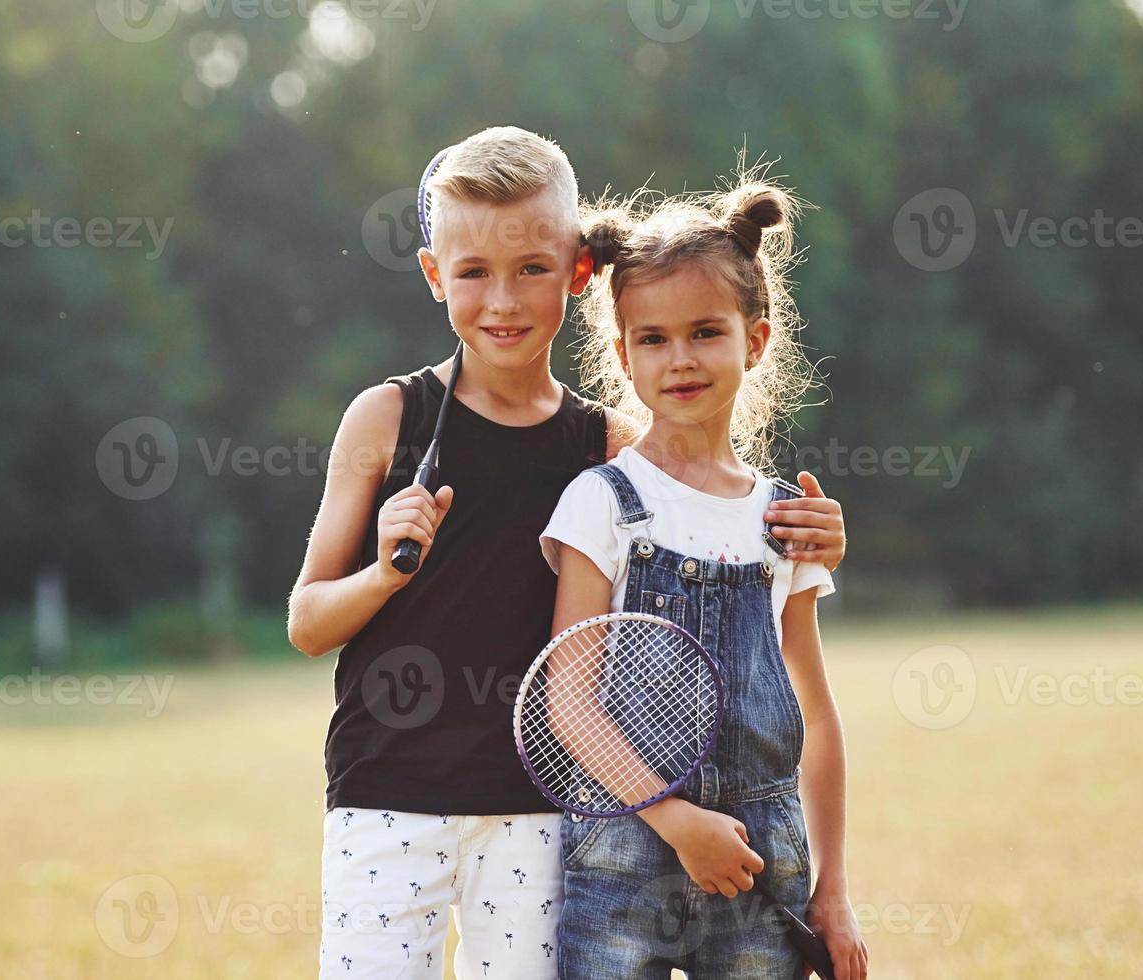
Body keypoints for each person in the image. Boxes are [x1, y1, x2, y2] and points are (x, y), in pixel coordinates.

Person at [287, 128, 849, 979]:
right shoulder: (386, 420)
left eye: (532, 271)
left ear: (579, 272)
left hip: (545, 817)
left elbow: (710, 512)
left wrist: (817, 533)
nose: (502, 301)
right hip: (385, 798)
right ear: (436, 275)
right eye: (472, 273)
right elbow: (305, 623)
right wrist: (383, 570)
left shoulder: (610, 448)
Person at [540, 176, 868, 979]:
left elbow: (815, 720)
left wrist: (833, 889)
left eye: (704, 332)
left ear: (754, 342)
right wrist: (674, 819)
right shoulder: (604, 502)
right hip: (624, 848)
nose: (679, 358)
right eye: (652, 339)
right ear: (623, 355)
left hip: (764, 862)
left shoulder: (785, 519)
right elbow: (569, 699)